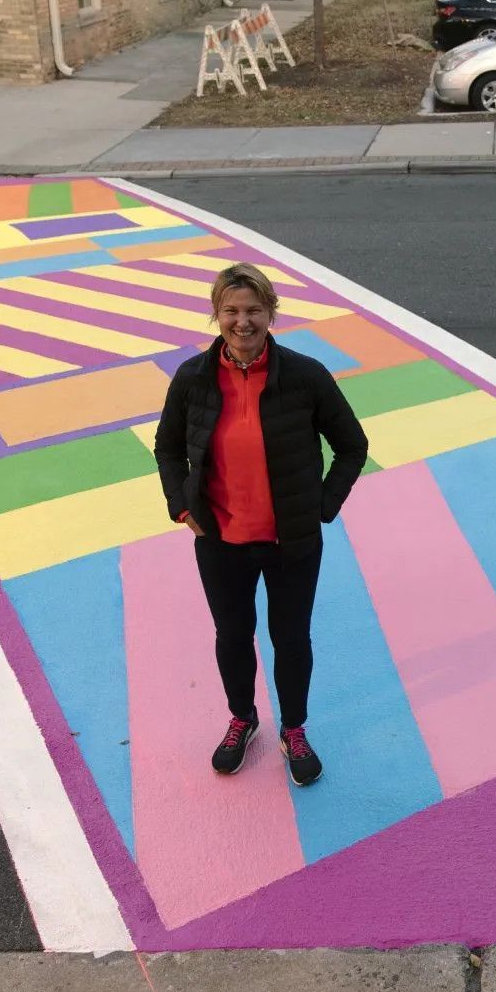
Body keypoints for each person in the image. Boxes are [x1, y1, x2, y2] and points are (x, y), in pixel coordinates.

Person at [153, 263, 368, 785]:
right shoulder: (193, 378)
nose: (242, 322)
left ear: (271, 313)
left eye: (253, 310)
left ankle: (293, 728)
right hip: (220, 540)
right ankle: (242, 719)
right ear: (216, 314)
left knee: (291, 638)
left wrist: (321, 506)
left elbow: (352, 446)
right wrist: (183, 508)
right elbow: (168, 448)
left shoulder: (305, 376)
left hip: (291, 541)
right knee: (232, 635)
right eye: (231, 310)